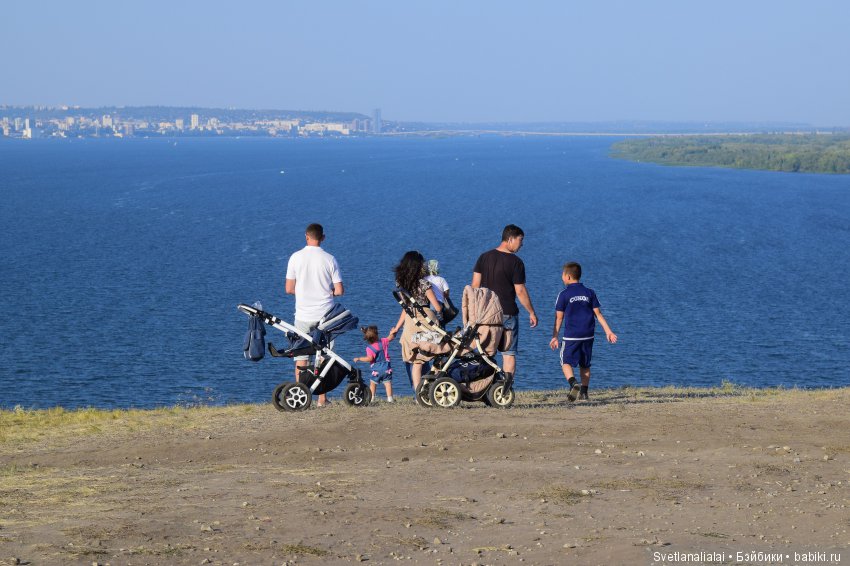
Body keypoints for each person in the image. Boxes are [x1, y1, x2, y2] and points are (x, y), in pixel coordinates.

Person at [285, 223, 343, 407]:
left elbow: (289, 289)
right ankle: (322, 399)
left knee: (300, 356)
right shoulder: (330, 259)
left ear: (306, 236)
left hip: (303, 314)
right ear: (323, 237)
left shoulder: (295, 257)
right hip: (326, 315)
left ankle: (300, 396)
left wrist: (303, 293)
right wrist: (326, 293)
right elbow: (339, 290)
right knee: (324, 356)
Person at [471, 224, 538, 378]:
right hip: (507, 313)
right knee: (508, 354)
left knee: (486, 352)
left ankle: (485, 386)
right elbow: (520, 291)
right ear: (510, 239)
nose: (522, 244)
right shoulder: (516, 262)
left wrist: (474, 313)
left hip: (486, 315)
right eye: (520, 240)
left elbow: (474, 287)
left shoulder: (483, 257)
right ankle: (505, 391)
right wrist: (531, 312)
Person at [548, 262, 617, 402]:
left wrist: (554, 336)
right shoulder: (589, 292)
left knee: (565, 361)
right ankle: (584, 393)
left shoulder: (563, 294)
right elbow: (598, 314)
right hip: (588, 335)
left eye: (562, 275)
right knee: (585, 364)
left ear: (567, 277)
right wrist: (608, 331)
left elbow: (559, 317)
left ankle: (573, 384)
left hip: (571, 336)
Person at [388, 251, 443, 391]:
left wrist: (396, 328)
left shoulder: (401, 284)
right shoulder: (424, 284)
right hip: (427, 321)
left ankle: (418, 394)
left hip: (410, 322)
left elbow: (405, 309)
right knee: (439, 352)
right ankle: (437, 387)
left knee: (416, 361)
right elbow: (436, 307)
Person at [353, 325, 395, 402]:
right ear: (377, 335)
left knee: (373, 383)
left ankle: (372, 398)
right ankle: (390, 399)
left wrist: (359, 358)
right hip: (386, 368)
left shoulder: (369, 348)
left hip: (377, 370)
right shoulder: (383, 341)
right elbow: (391, 337)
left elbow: (370, 358)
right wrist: (393, 332)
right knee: (387, 383)